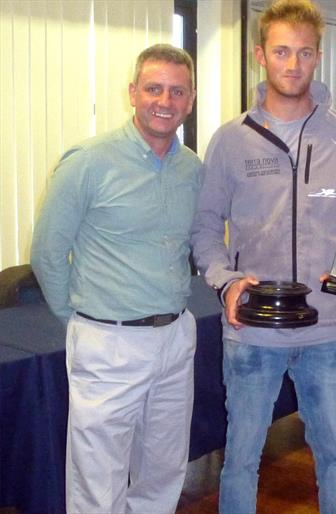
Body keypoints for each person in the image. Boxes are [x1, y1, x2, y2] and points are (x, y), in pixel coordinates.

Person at [189, 0, 336, 512]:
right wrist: (226, 279)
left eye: (303, 53)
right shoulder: (230, 141)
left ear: (318, 57)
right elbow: (206, 228)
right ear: (261, 55)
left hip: (327, 331)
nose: (293, 64)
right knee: (240, 460)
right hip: (252, 331)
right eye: (281, 51)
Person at [30, 44, 200, 513]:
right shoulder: (88, 162)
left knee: (164, 472)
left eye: (176, 91)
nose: (163, 100)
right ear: (132, 93)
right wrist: (83, 318)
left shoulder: (192, 170)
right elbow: (47, 252)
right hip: (109, 341)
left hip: (175, 338)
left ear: (189, 100)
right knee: (97, 481)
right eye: (153, 88)